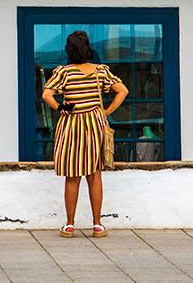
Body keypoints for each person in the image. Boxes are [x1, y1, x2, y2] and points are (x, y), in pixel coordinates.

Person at [40, 30, 128, 239]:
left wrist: (60, 108)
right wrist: (106, 112)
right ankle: (97, 225)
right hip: (94, 124)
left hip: (71, 124)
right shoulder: (101, 71)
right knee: (94, 175)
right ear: (88, 49)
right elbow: (122, 90)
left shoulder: (64, 72)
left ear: (69, 51)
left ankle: (70, 225)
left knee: (72, 176)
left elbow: (46, 94)